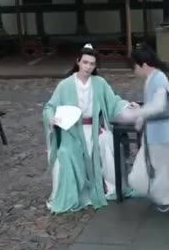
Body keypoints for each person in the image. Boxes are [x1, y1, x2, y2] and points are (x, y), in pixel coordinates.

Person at [42, 44, 138, 214]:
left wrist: (126, 105)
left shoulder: (99, 83)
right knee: (65, 153)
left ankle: (108, 186)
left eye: (92, 64)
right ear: (78, 62)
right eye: (85, 62)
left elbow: (113, 101)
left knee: (107, 142)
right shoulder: (65, 85)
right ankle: (71, 194)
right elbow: (50, 106)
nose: (88, 67)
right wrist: (52, 118)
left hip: (93, 128)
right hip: (72, 131)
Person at [126, 45, 169, 212]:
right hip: (155, 132)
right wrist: (141, 115)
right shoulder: (153, 79)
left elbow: (159, 106)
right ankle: (165, 197)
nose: (134, 71)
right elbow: (154, 105)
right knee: (157, 169)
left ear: (144, 65)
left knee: (165, 170)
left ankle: (168, 197)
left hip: (163, 132)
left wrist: (138, 113)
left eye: (135, 66)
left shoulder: (159, 78)